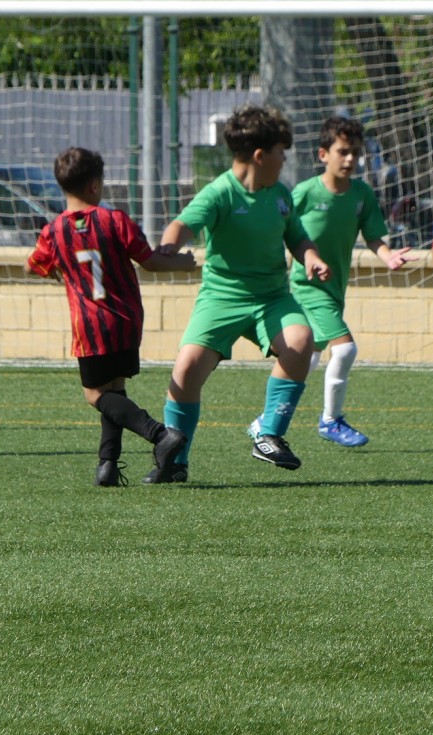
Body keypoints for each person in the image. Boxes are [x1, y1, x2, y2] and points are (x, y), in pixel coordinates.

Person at [148, 103, 331, 484]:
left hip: (272, 297)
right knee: (186, 369)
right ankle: (174, 461)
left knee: (300, 341)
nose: (284, 160)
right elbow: (183, 224)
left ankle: (269, 435)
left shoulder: (280, 194)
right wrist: (168, 247)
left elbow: (297, 237)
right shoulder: (220, 192)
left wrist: (311, 256)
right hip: (222, 297)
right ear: (260, 156)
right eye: (281, 153)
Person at [25, 147, 195, 486]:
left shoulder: (54, 232)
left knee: (95, 395)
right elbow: (149, 261)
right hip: (126, 321)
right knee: (115, 389)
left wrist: (61, 271)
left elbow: (33, 266)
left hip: (90, 327)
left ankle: (160, 434)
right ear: (94, 186)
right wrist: (182, 263)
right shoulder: (115, 220)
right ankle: (107, 465)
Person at [246, 116, 416, 448]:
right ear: (323, 154)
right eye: (343, 152)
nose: (350, 159)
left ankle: (264, 421)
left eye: (355, 153)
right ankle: (331, 420)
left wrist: (388, 256)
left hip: (335, 288)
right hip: (307, 287)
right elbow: (281, 227)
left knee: (307, 358)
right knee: (345, 348)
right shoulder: (305, 192)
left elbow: (373, 236)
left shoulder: (361, 194)